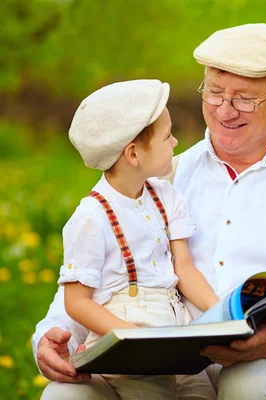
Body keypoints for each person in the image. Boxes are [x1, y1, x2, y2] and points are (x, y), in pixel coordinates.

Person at [33, 23, 266, 400]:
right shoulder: (157, 179)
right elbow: (88, 276)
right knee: (63, 396)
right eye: (215, 93)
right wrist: (49, 336)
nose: (225, 111)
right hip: (158, 359)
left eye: (244, 99)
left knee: (249, 384)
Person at [44, 79, 219, 399]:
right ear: (134, 154)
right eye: (167, 136)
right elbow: (77, 301)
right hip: (129, 345)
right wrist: (129, 337)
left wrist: (221, 313)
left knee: (202, 394)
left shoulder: (168, 197)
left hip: (175, 333)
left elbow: (185, 268)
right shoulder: (90, 218)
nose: (176, 141)